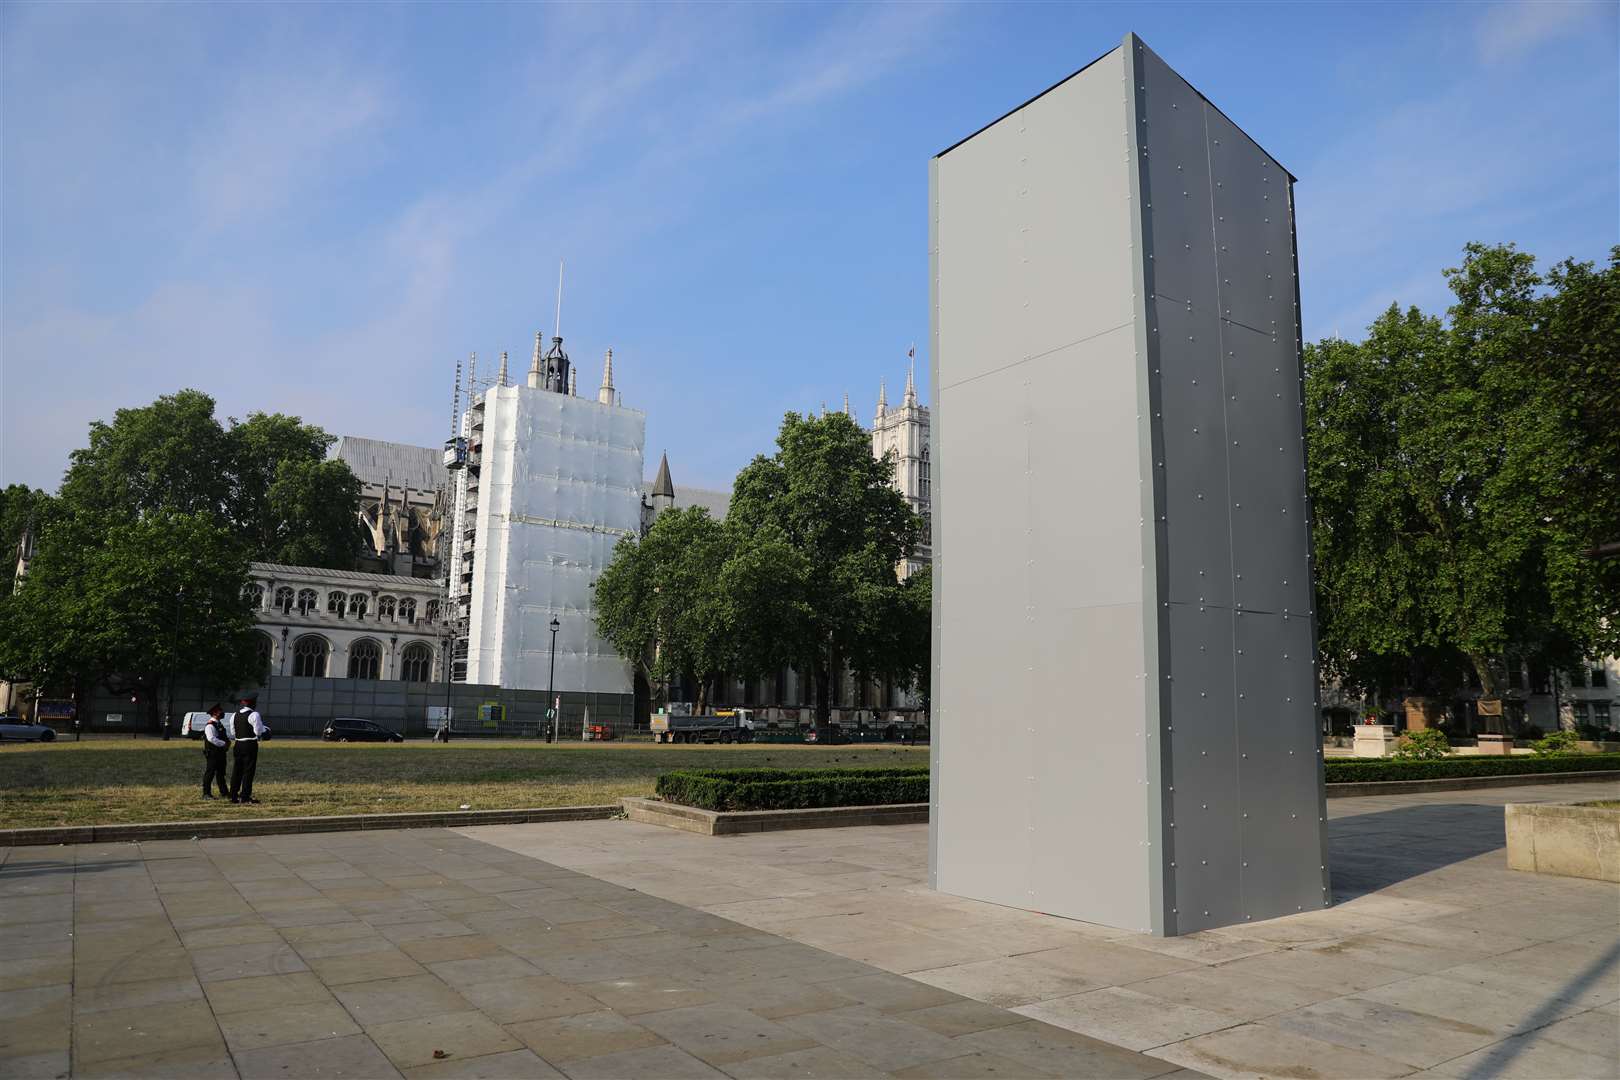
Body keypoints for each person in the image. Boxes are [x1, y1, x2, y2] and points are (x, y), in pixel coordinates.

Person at [228, 695, 268, 804]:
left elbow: (232, 732)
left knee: (237, 770)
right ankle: (245, 796)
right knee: (248, 771)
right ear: (253, 704)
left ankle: (233, 795)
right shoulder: (254, 714)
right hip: (249, 744)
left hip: (238, 743)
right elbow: (258, 732)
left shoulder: (234, 715)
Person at [201, 704, 230, 799]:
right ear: (214, 713)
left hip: (220, 753)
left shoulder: (218, 724)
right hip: (213, 753)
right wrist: (224, 743)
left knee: (221, 773)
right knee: (210, 773)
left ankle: (224, 792)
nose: (222, 712)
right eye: (220, 711)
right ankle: (206, 793)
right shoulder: (210, 725)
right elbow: (211, 738)